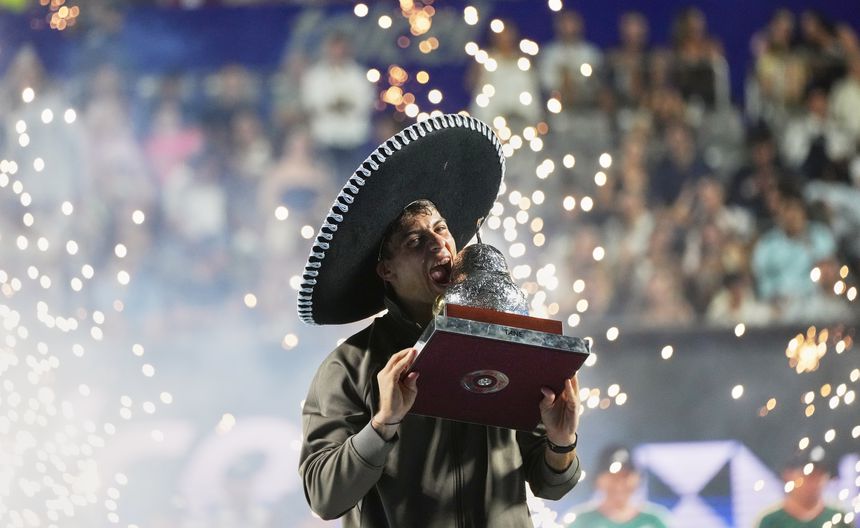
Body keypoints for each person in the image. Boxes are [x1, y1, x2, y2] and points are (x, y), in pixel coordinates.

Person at [297, 115, 583, 527]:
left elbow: (550, 484)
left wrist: (561, 442)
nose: (440, 245)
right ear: (386, 270)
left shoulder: (507, 342)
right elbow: (323, 497)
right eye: (416, 241)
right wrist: (383, 425)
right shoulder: (350, 365)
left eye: (441, 229)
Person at [566, 445, 670, 528]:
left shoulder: (654, 521)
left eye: (625, 476)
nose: (619, 484)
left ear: (638, 479)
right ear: (598, 480)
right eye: (613, 477)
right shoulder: (581, 520)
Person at [756, 449, 851, 528]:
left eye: (820, 475)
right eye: (808, 475)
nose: (814, 482)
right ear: (788, 475)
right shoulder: (771, 522)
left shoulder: (838, 519)